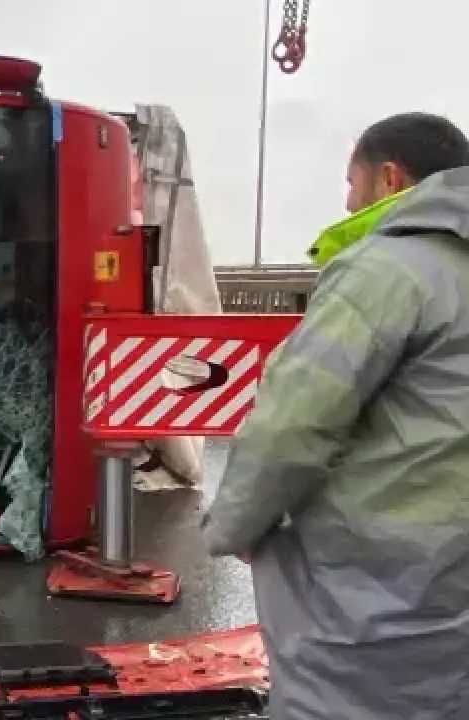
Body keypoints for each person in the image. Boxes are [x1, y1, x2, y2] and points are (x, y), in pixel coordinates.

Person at [203, 112, 469, 719]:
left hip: (385, 582)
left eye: (352, 183)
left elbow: (296, 420)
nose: (347, 200)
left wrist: (237, 525)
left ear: (390, 179)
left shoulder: (387, 270)